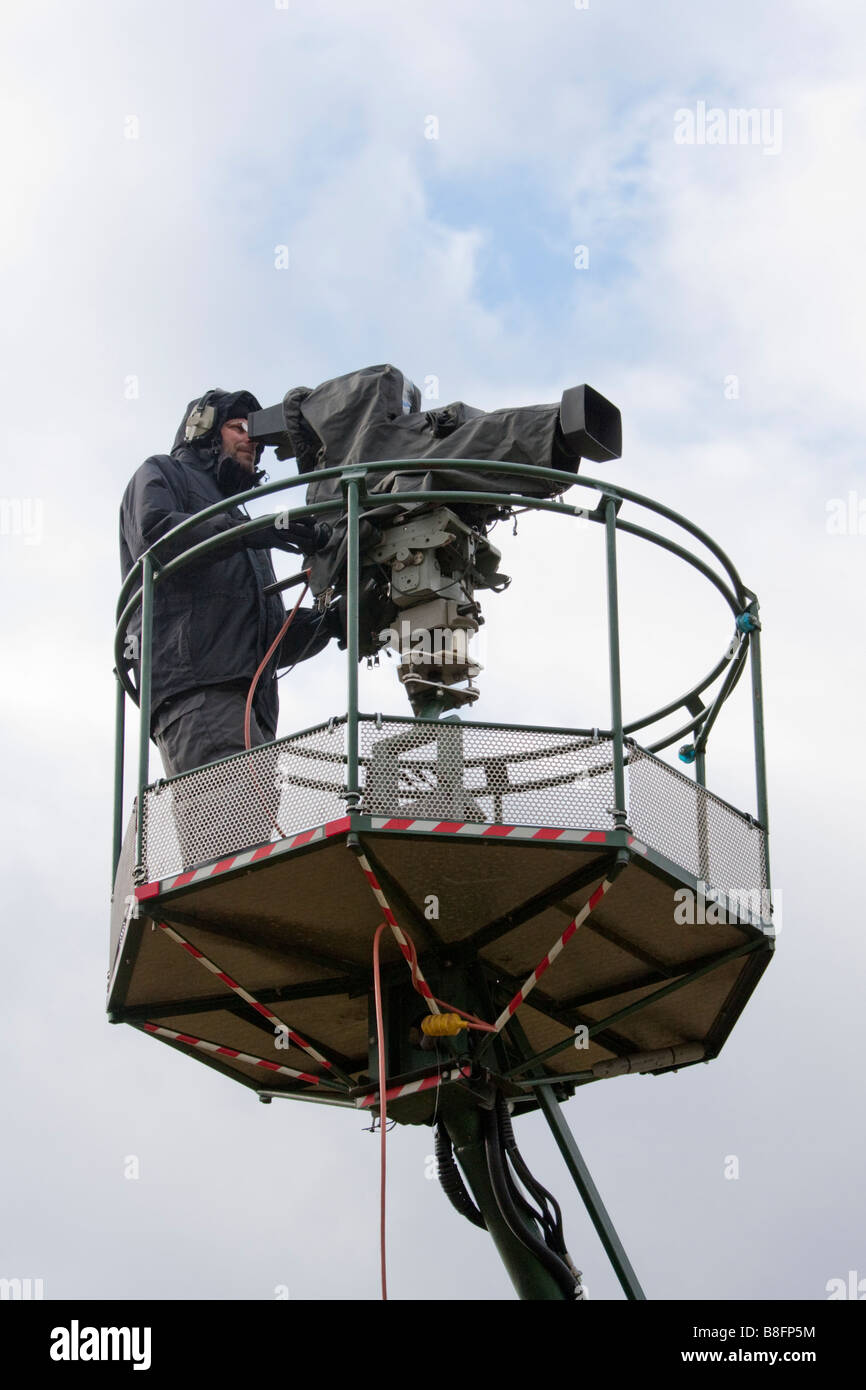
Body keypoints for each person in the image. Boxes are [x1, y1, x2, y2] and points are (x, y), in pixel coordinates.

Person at [119, 388, 334, 864]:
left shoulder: (241, 526)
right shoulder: (162, 473)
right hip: (200, 695)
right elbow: (160, 537)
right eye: (240, 427)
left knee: (250, 859)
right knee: (235, 860)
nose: (251, 440)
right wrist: (256, 532)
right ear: (203, 430)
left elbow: (266, 632)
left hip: (248, 711)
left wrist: (330, 622)